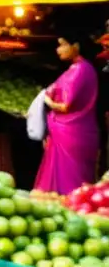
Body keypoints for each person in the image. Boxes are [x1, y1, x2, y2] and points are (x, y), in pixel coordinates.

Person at [34, 27, 101, 195]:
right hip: (76, 132)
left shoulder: (79, 70)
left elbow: (64, 105)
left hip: (71, 135)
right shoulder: (83, 68)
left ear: (75, 46)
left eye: (63, 45)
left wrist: (45, 98)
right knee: (77, 183)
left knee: (70, 184)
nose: (58, 49)